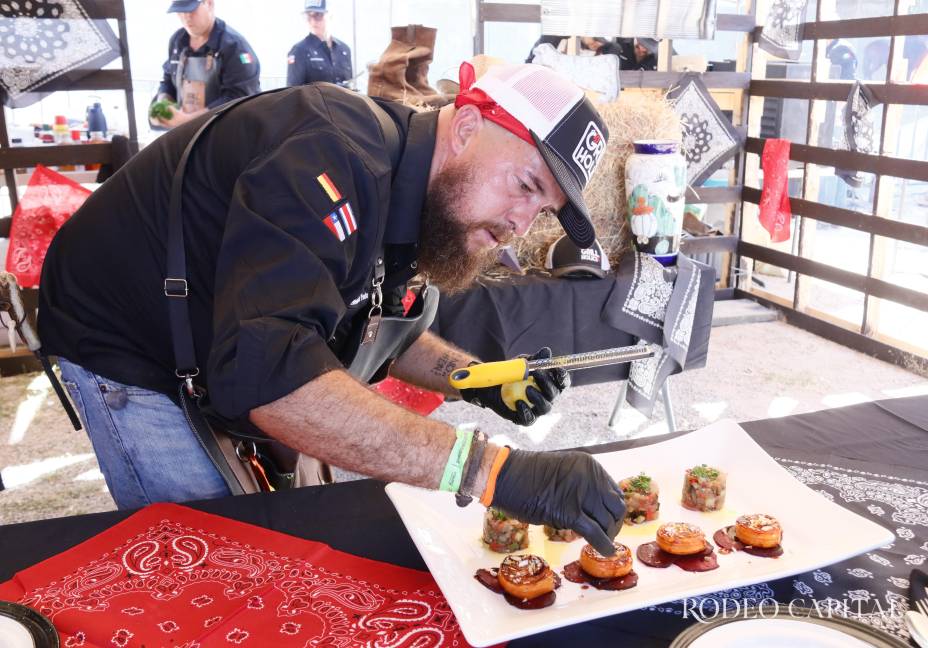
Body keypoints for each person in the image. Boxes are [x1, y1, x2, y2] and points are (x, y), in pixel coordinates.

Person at [39, 63, 625, 555]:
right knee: (210, 551)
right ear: (468, 125)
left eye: (541, 210)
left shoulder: (413, 190)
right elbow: (272, 381)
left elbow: (383, 328)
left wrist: (476, 381)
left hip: (218, 334)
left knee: (279, 527)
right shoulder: (328, 153)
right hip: (127, 340)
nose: (518, 228)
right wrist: (492, 471)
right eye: (525, 185)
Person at [151, 0, 261, 130]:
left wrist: (189, 121)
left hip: (226, 134)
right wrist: (163, 103)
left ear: (209, 3)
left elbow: (239, 98)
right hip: (186, 134)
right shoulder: (177, 41)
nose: (186, 16)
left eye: (191, 9)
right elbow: (168, 79)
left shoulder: (234, 47)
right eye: (180, 11)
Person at [287, 0, 353, 89]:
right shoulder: (299, 50)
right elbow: (293, 91)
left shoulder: (344, 50)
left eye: (318, 16)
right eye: (308, 17)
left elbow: (349, 83)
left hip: (343, 102)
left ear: (330, 16)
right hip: (314, 103)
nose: (313, 21)